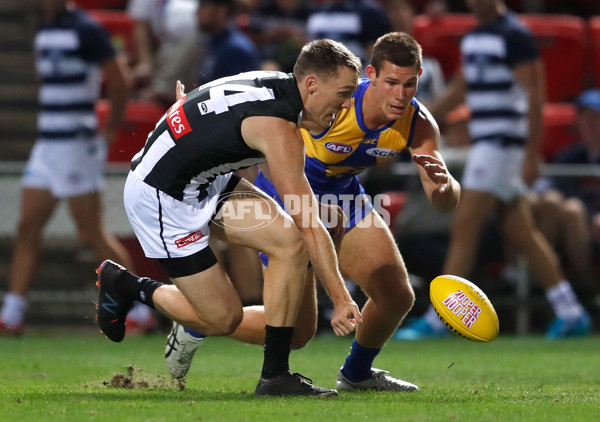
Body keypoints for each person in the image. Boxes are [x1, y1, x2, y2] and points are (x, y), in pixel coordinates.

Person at [165, 32, 461, 391]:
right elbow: (263, 97)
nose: (400, 94)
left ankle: (356, 374)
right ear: (372, 74)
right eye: (391, 82)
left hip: (345, 200)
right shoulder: (337, 99)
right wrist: (196, 110)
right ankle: (196, 319)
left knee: (396, 294)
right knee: (296, 333)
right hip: (288, 197)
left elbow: (442, 200)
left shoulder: (418, 122)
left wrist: (446, 186)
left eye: (410, 84)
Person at [96, 39, 363, 397]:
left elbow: (212, 101)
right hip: (162, 197)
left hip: (204, 179)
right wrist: (341, 297)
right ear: (311, 85)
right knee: (224, 318)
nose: (346, 104)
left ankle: (275, 377)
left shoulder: (275, 84)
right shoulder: (280, 127)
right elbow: (310, 221)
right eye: (344, 93)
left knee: (289, 244)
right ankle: (127, 285)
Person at [394, 0, 591, 341]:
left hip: (501, 146)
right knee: (523, 235)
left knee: (463, 227)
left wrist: (531, 154)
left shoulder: (514, 35)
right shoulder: (474, 38)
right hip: (489, 147)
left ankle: (440, 316)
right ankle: (571, 310)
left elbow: (535, 93)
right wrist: (415, 120)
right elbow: (459, 90)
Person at [0, 0, 145, 335]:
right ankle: (13, 313)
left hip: (77, 146)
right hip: (47, 145)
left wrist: (109, 130)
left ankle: (138, 307)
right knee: (27, 228)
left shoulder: (87, 29)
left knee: (90, 232)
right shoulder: (45, 29)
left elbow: (118, 80)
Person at [529, 89, 600, 291]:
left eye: (596, 117)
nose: (590, 123)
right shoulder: (567, 157)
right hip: (571, 223)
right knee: (572, 210)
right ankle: (585, 288)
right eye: (585, 117)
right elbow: (560, 195)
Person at [127, 0, 201, 108]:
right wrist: (145, 62)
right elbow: (140, 25)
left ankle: (163, 91)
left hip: (201, 41)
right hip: (163, 46)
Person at [196, 0, 261, 86]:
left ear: (220, 11)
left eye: (203, 6)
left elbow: (239, 94)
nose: (197, 12)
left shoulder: (237, 49)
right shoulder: (213, 41)